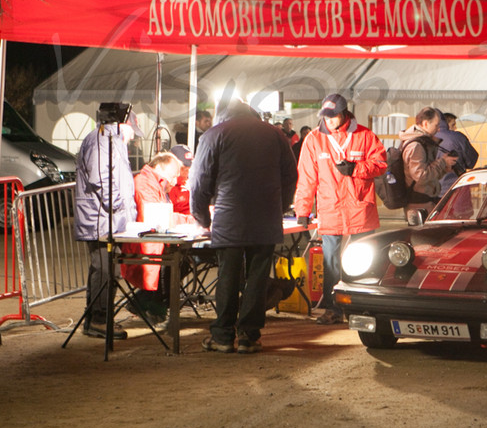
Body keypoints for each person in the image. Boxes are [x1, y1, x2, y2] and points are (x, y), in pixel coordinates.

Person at [190, 99, 297, 354]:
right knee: (257, 279)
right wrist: (280, 207)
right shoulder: (275, 134)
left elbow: (199, 181)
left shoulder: (214, 135)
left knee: (228, 276)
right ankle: (249, 336)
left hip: (230, 218)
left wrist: (202, 218)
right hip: (266, 218)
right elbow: (291, 175)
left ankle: (223, 336)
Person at [293, 93, 387, 325]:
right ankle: (332, 308)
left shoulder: (365, 135)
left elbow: (381, 164)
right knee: (330, 264)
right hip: (331, 208)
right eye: (326, 116)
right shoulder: (314, 139)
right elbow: (306, 178)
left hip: (360, 208)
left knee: (364, 260)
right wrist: (302, 210)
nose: (329, 120)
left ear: (344, 113)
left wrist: (356, 168)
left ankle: (362, 306)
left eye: (333, 116)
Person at [73, 104, 142, 340]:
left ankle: (96, 318)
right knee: (105, 269)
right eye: (133, 131)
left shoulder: (112, 142)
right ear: (123, 125)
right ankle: (99, 320)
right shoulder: (102, 140)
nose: (133, 138)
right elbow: (101, 178)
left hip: (110, 219)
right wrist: (118, 206)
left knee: (105, 269)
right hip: (101, 219)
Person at [123, 151, 200, 328]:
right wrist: (191, 220)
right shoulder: (145, 184)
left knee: (182, 261)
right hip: (144, 243)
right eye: (172, 176)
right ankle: (153, 306)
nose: (173, 182)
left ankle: (148, 304)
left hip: (156, 241)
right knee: (174, 263)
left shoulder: (154, 183)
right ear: (160, 168)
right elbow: (157, 217)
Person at [398, 106, 458, 225]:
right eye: (436, 125)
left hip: (424, 202)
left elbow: (427, 174)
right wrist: (442, 162)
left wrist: (444, 168)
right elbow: (421, 176)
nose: (438, 129)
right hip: (419, 204)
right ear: (425, 124)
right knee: (422, 236)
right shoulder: (416, 146)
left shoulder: (421, 143)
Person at [434, 108, 478, 195]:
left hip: (430, 192)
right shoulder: (458, 138)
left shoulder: (422, 139)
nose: (455, 128)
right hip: (456, 189)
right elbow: (471, 162)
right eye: (453, 124)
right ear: (446, 124)